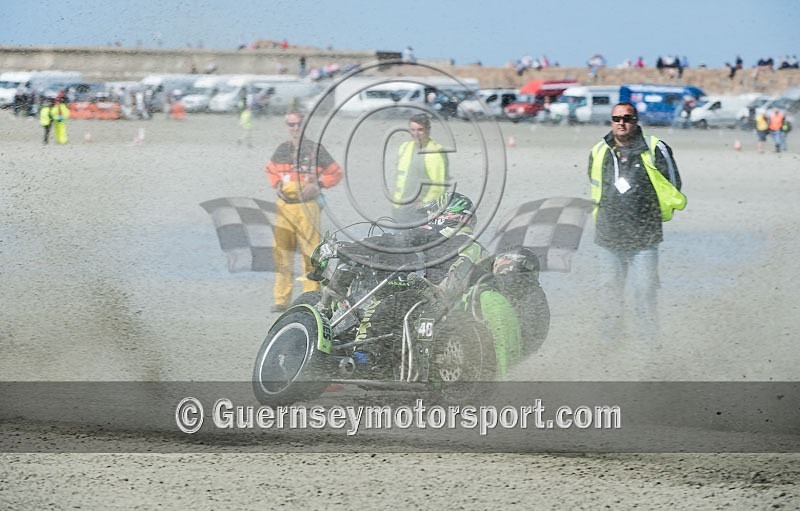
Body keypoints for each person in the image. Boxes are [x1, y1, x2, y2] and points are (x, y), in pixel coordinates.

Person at [588, 102, 686, 343]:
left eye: (627, 118)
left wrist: (651, 211)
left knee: (645, 292)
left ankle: (649, 346)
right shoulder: (599, 151)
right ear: (611, 121)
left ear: (636, 120)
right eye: (617, 118)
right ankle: (608, 344)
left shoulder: (654, 148)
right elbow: (595, 185)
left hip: (645, 237)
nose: (621, 123)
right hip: (608, 236)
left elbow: (674, 183)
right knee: (609, 293)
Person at [265, 111, 343, 312]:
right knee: (281, 253)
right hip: (285, 206)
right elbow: (270, 170)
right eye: (291, 124)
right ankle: (281, 300)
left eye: (299, 124)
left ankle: (311, 296)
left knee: (311, 253)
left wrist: (319, 184)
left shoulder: (316, 149)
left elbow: (336, 172)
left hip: (307, 206)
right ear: (287, 126)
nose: (295, 128)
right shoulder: (282, 149)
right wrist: (277, 184)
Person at [392, 113, 450, 223]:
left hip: (420, 211)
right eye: (413, 130)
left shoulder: (436, 152)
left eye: (420, 130)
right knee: (397, 233)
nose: (416, 134)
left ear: (428, 131)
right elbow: (398, 176)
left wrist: (423, 204)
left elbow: (440, 185)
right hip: (399, 208)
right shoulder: (404, 147)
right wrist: (394, 198)